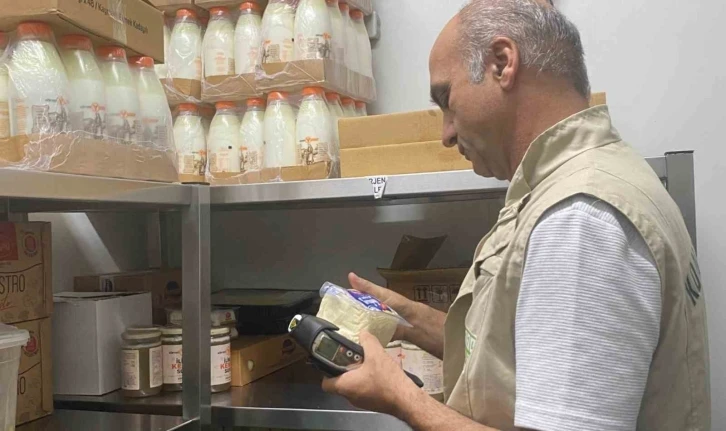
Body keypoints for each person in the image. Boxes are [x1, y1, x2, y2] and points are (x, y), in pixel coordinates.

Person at [322, 1, 711, 430]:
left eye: (447, 100)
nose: (446, 133)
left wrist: (402, 398)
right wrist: (406, 320)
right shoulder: (586, 182)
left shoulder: (580, 220)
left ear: (503, 63)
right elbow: (504, 355)